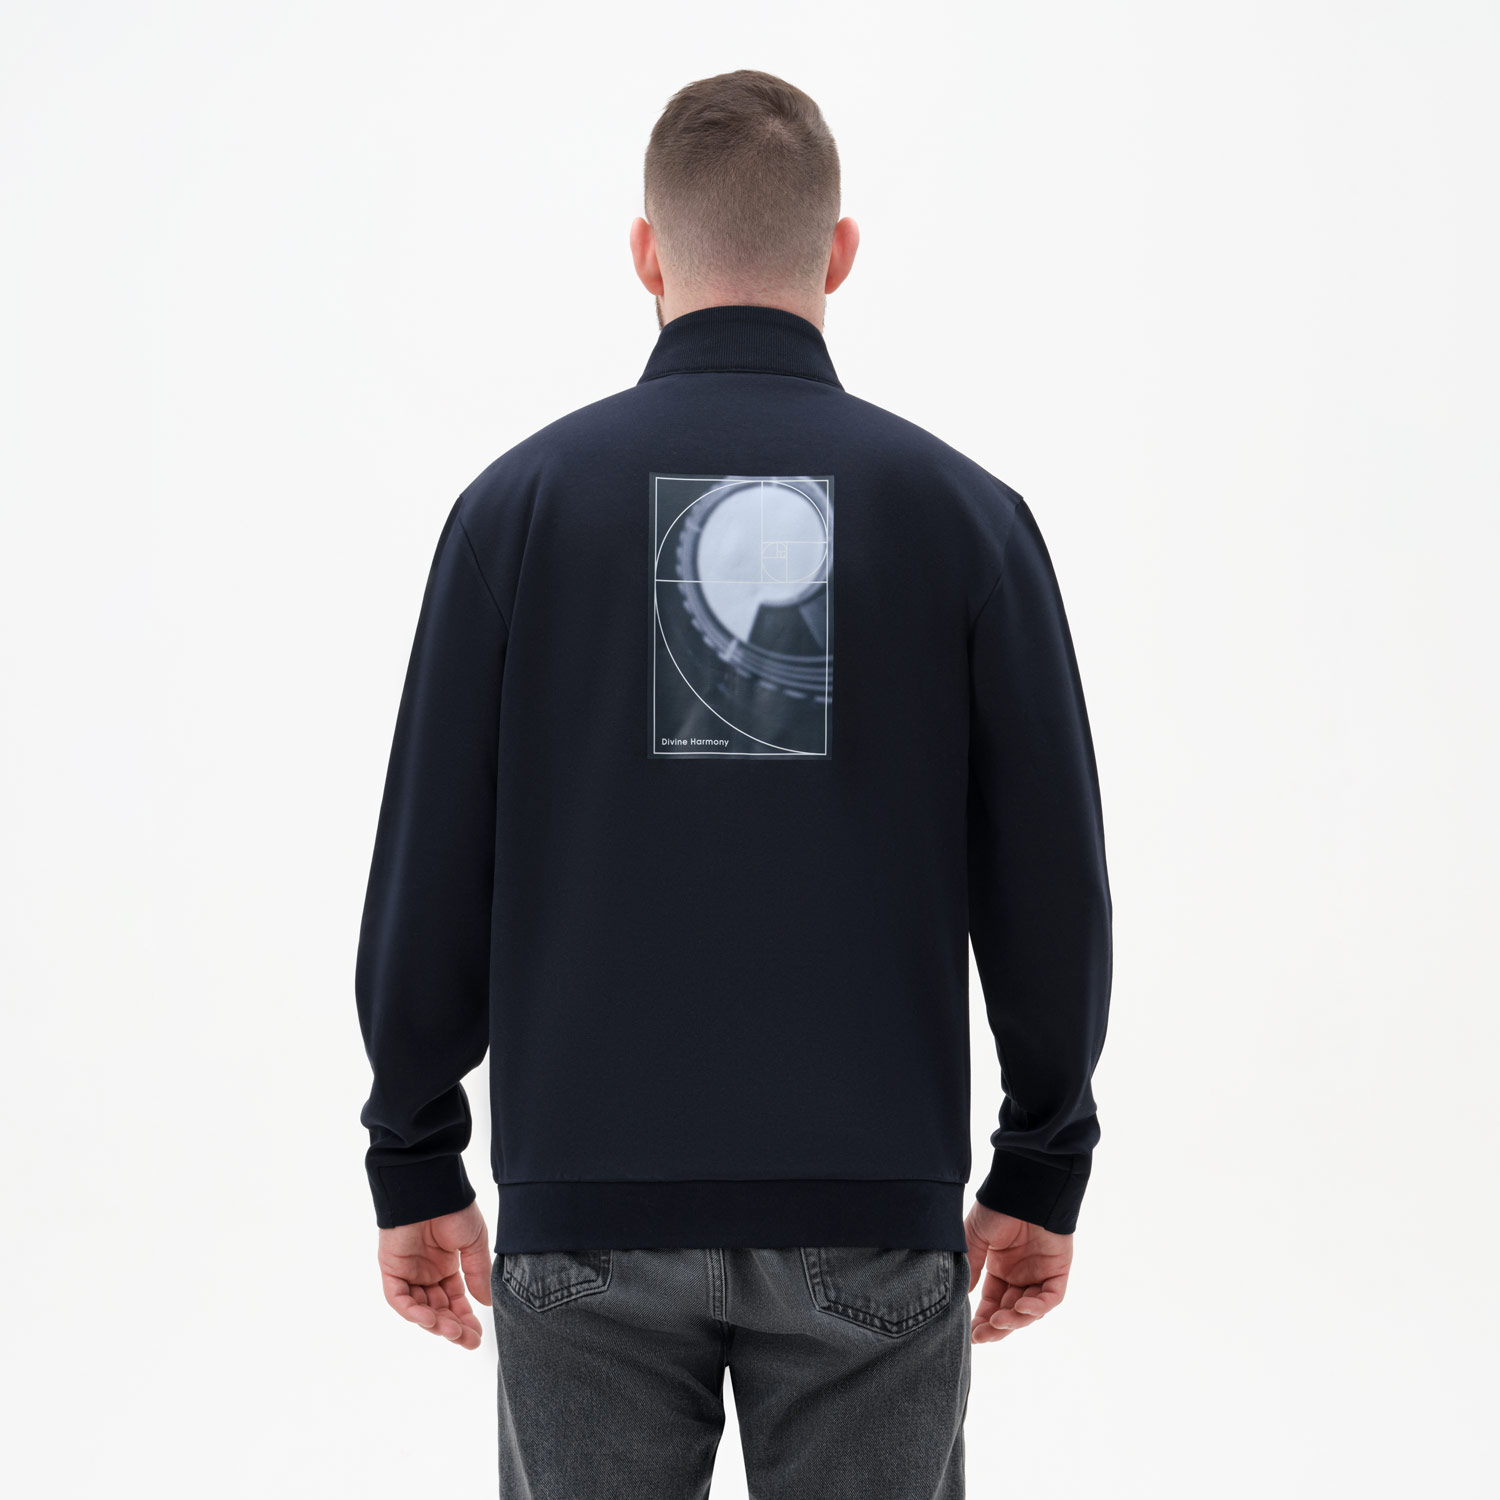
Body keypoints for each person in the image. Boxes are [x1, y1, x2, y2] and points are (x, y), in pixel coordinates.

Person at [355, 68, 1112, 1500]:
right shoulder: (964, 516)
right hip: (871, 1215)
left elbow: (433, 854)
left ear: (647, 252)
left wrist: (415, 1150)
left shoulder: (518, 508)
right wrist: (1040, 1158)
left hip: (584, 1210)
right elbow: (1049, 875)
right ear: (840, 252)